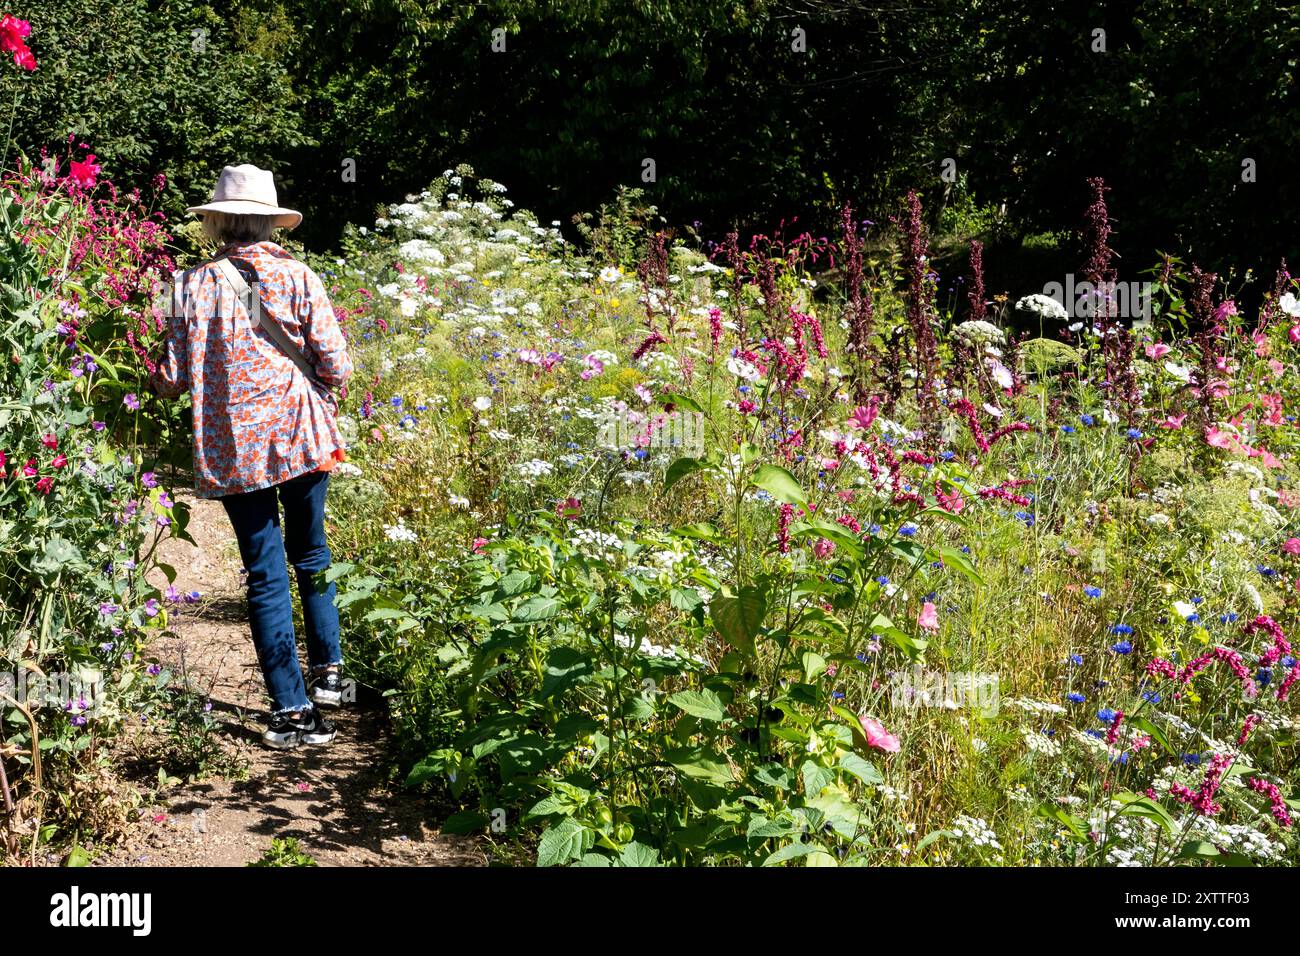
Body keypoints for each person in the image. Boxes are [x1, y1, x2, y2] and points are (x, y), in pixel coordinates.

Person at [151, 163, 353, 749]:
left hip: (235, 449)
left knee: (265, 573)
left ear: (217, 222)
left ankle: (291, 712)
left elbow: (170, 380)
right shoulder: (299, 277)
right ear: (269, 222)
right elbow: (336, 365)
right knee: (312, 552)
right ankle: (330, 676)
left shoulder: (185, 286)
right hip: (300, 433)